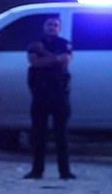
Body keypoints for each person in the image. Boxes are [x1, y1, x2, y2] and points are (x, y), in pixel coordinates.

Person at [23, 17, 75, 180]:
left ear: (59, 28)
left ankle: (64, 171)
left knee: (61, 135)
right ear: (44, 27)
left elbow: (64, 61)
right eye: (49, 25)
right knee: (38, 135)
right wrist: (54, 59)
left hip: (59, 93)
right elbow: (34, 63)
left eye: (55, 25)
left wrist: (44, 54)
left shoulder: (64, 43)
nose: (52, 27)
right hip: (40, 94)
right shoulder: (34, 43)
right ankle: (37, 171)